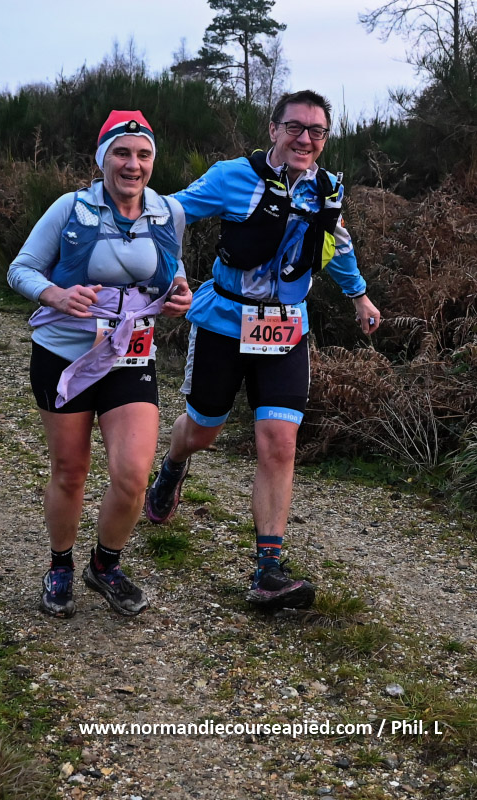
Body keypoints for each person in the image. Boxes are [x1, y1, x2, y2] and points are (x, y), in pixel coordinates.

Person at [145, 90, 380, 611]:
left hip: (286, 328)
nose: (305, 139)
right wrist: (173, 275)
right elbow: (169, 213)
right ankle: (174, 464)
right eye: (294, 127)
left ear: (325, 138)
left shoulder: (326, 188)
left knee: (279, 441)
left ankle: (267, 570)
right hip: (224, 322)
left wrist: (359, 294)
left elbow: (336, 244)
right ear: (273, 129)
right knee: (203, 430)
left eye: (316, 131)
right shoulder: (232, 176)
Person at [8, 110, 192, 618]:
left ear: (153, 161)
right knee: (71, 471)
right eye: (122, 153)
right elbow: (20, 269)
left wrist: (179, 292)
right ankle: (60, 565)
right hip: (64, 355)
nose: (133, 164)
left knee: (133, 475)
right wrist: (56, 294)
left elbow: (173, 269)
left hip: (131, 355)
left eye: (143, 154)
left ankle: (105, 565)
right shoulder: (70, 208)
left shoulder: (168, 213)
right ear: (102, 159)